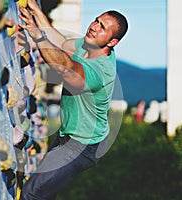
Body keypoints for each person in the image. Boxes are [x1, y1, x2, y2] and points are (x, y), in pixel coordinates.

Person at [18, 0, 128, 199]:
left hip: (82, 146)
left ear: (112, 42)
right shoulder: (88, 45)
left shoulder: (102, 70)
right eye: (96, 20)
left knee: (31, 193)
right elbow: (60, 42)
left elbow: (66, 69)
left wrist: (37, 36)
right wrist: (36, 10)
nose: (94, 26)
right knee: (43, 190)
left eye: (102, 27)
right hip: (68, 134)